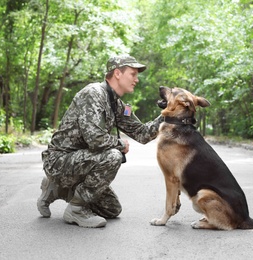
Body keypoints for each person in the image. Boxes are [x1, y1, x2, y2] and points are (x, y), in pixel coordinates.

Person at [37, 55, 163, 228]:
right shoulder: (93, 93)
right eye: (133, 74)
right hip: (59, 162)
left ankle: (56, 188)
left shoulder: (116, 103)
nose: (136, 79)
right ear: (117, 73)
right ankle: (76, 209)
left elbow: (142, 134)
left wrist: (169, 114)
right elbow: (95, 139)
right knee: (113, 156)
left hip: (82, 162)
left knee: (112, 209)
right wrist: (121, 145)